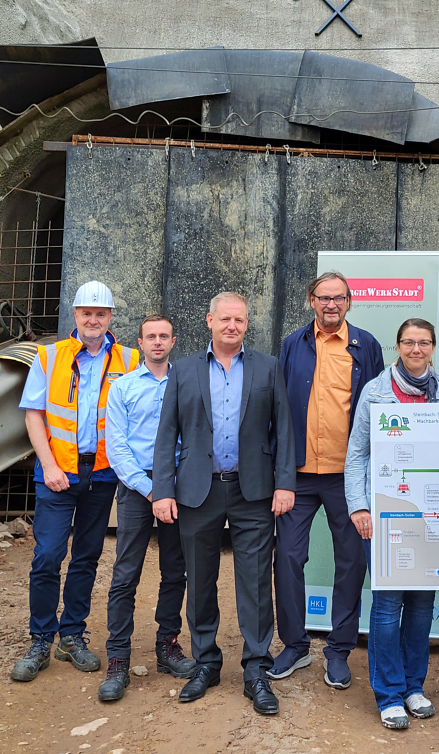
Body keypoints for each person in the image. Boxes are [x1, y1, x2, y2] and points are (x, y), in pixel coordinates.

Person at [151, 292, 297, 715]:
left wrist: (284, 483)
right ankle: (206, 663)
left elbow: (283, 429)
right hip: (199, 490)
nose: (233, 326)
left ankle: (256, 670)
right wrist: (163, 489)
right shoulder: (183, 370)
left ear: (247, 324)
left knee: (254, 582)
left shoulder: (268, 367)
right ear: (209, 320)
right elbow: (167, 435)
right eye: (225, 319)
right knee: (199, 580)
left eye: (240, 320)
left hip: (253, 490)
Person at [11, 280, 139, 682]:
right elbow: (34, 415)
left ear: (110, 318)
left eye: (101, 314)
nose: (93, 320)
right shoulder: (49, 357)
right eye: (87, 313)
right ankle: (40, 639)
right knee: (48, 555)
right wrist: (48, 465)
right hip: (57, 472)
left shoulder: (129, 360)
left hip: (102, 475)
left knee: (86, 557)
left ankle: (72, 636)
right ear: (76, 316)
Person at [271, 271, 384, 689]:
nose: (330, 304)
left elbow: (379, 407)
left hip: (347, 478)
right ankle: (296, 645)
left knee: (351, 563)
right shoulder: (291, 345)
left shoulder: (367, 346)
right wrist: (280, 474)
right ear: (311, 301)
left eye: (338, 298)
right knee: (288, 559)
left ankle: (338, 649)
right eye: (323, 297)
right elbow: (278, 411)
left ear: (350, 302)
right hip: (297, 477)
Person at [344, 318, 439, 730]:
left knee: (423, 604)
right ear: (397, 346)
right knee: (389, 605)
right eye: (408, 342)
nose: (415, 349)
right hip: (385, 513)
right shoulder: (375, 391)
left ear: (433, 347)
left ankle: (413, 687)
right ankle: (388, 694)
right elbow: (357, 454)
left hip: (431, 516)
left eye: (423, 342)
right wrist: (359, 507)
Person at [98, 313, 197, 702]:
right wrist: (150, 489)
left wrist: (170, 487)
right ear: (139, 343)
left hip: (178, 486)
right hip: (138, 487)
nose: (158, 342)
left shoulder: (187, 383)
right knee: (126, 573)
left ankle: (167, 646)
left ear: (174, 341)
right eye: (150, 336)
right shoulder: (122, 388)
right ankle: (118, 659)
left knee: (176, 570)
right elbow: (116, 446)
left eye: (164, 336)